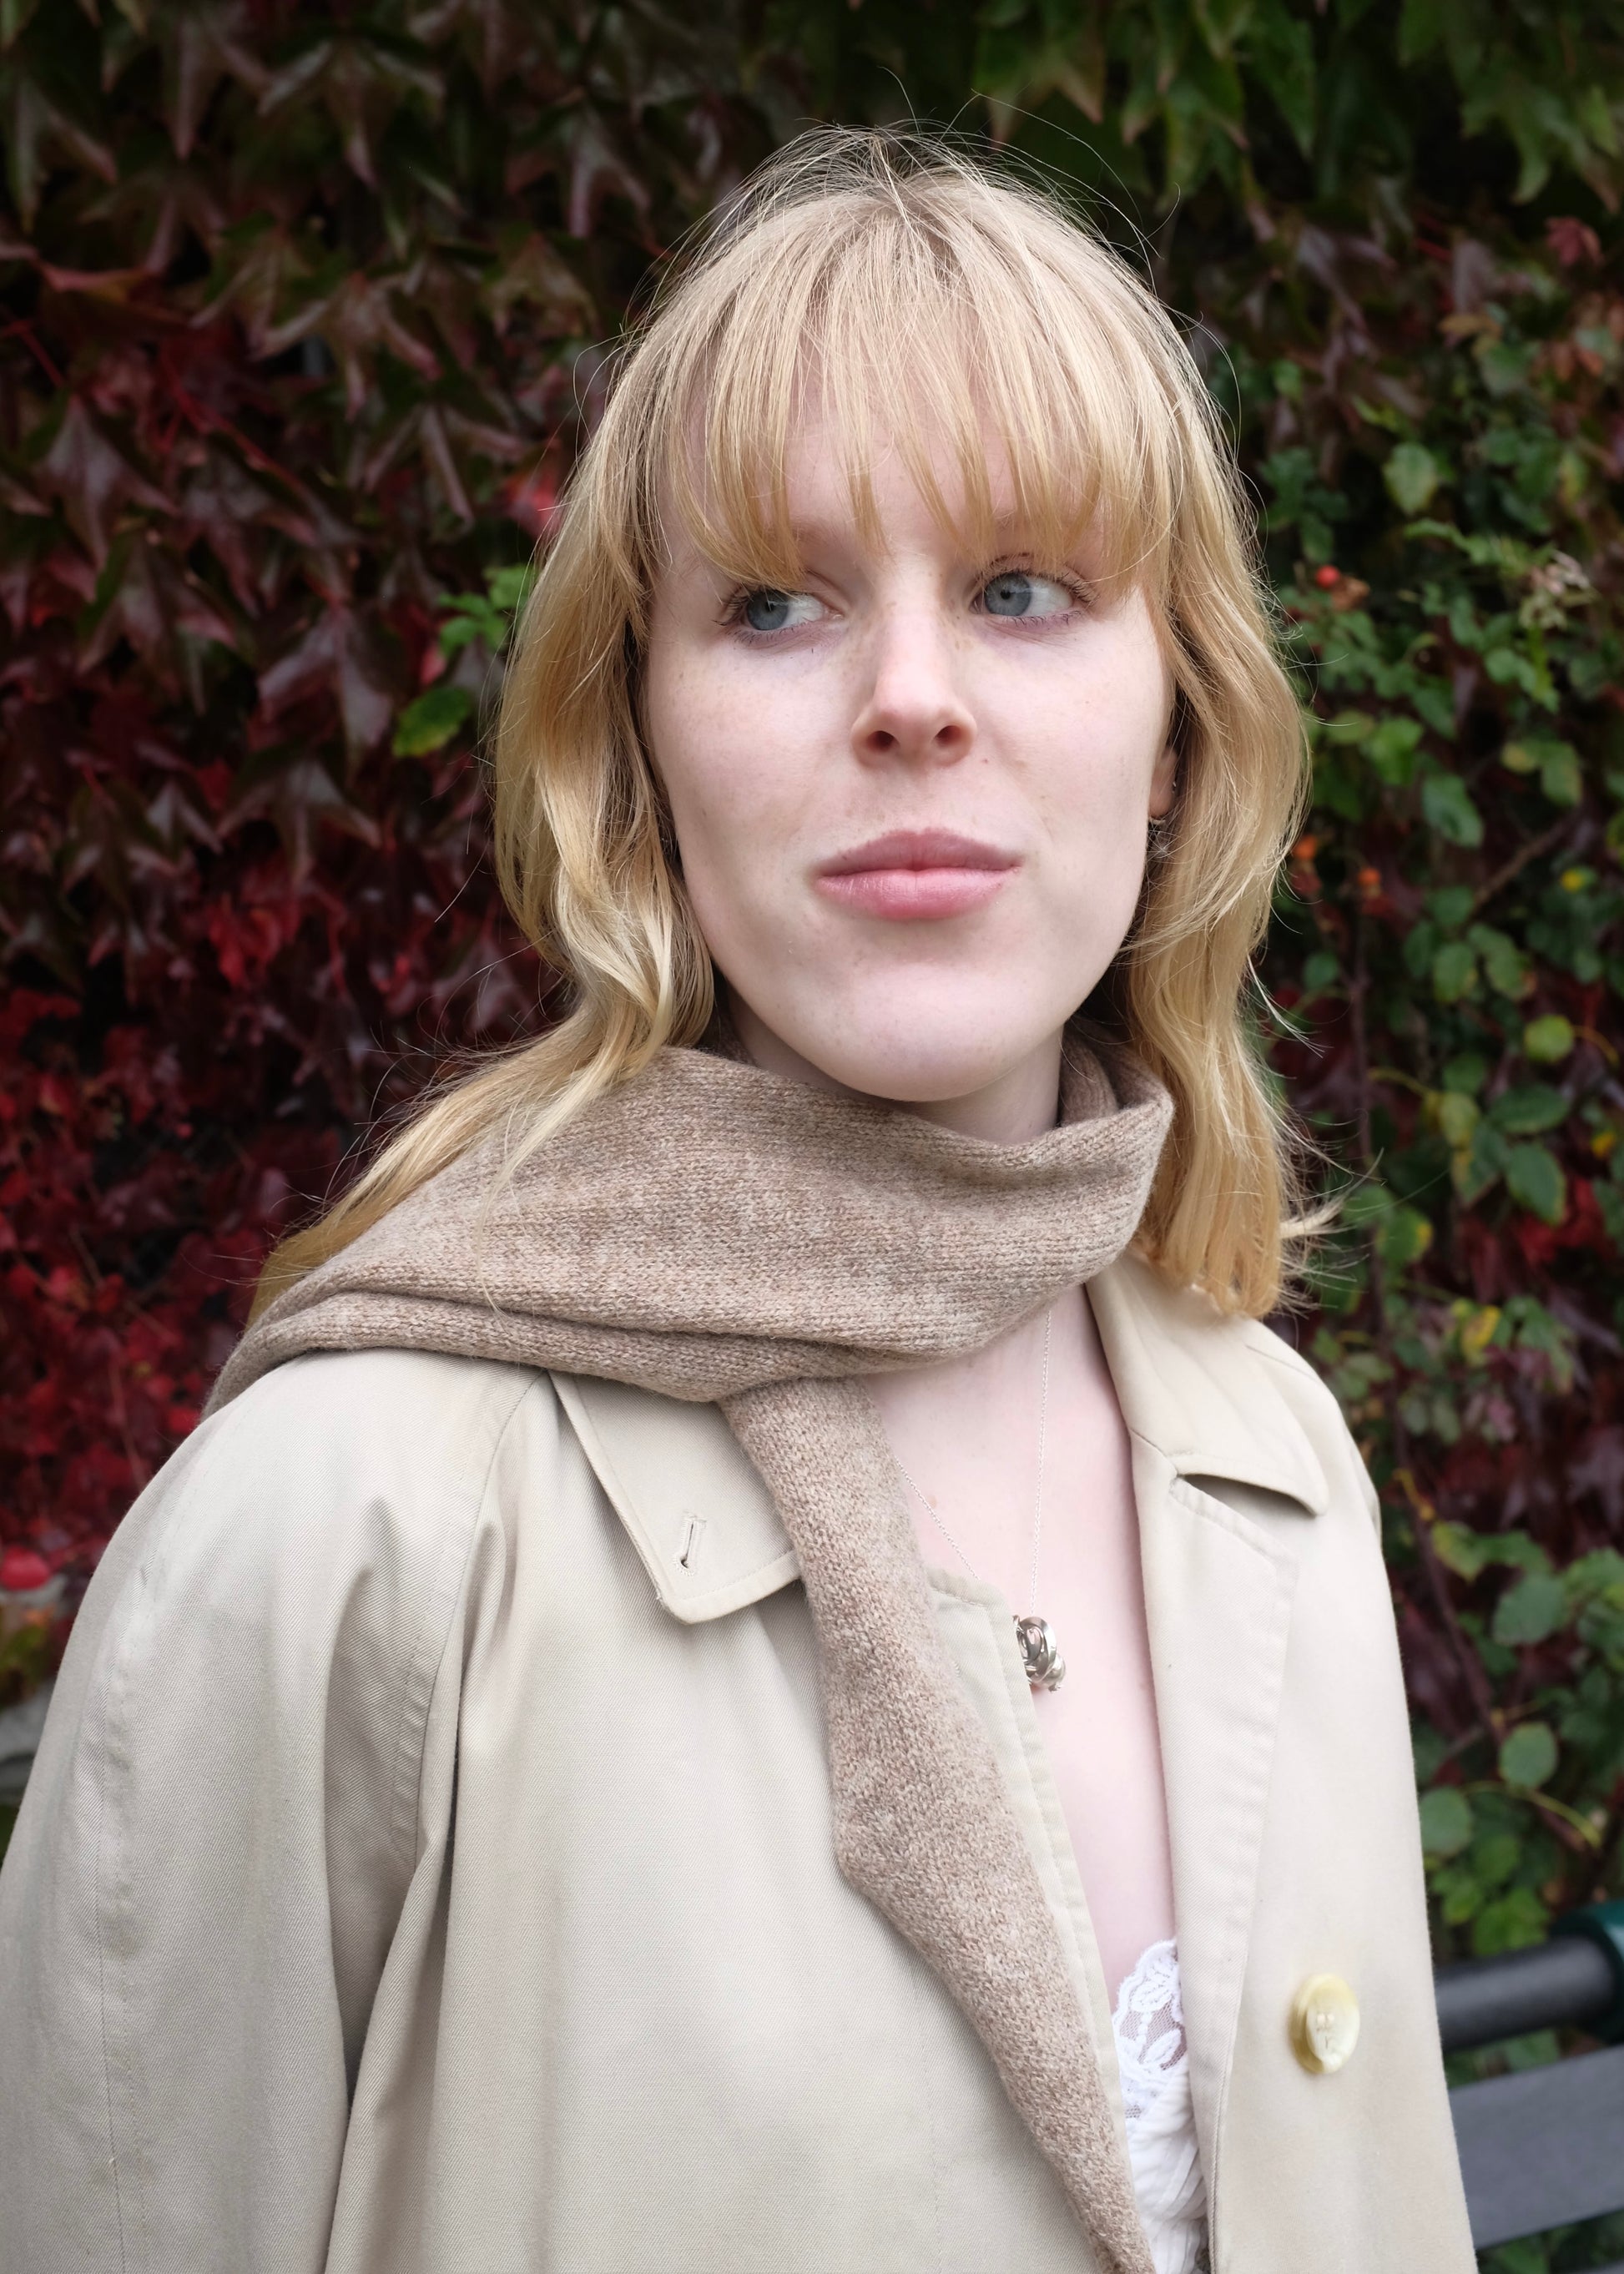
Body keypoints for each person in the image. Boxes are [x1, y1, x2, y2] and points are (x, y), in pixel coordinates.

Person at [0, 129, 1473, 2274]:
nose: (910, 697)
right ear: (642, 752)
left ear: (1175, 740)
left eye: (1022, 589)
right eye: (774, 603)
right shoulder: (335, 1529)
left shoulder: (1280, 1459)